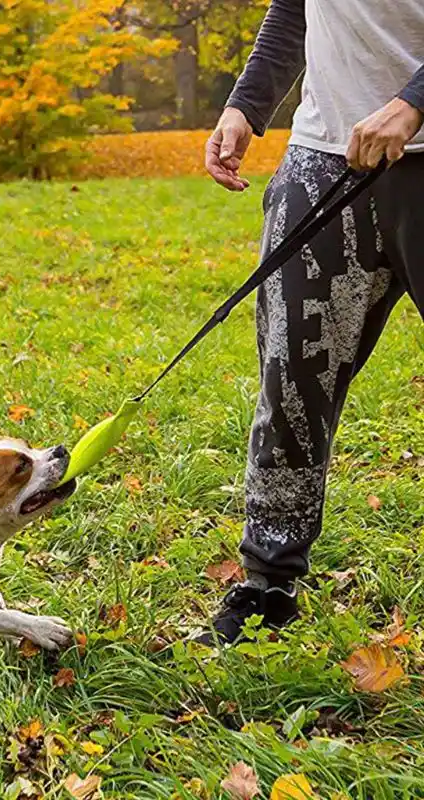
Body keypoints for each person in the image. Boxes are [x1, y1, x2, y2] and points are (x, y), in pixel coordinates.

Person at [201, 0, 424, 643]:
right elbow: (295, 8)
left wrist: (413, 102)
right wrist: (247, 104)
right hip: (324, 157)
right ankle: (268, 581)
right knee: (292, 378)